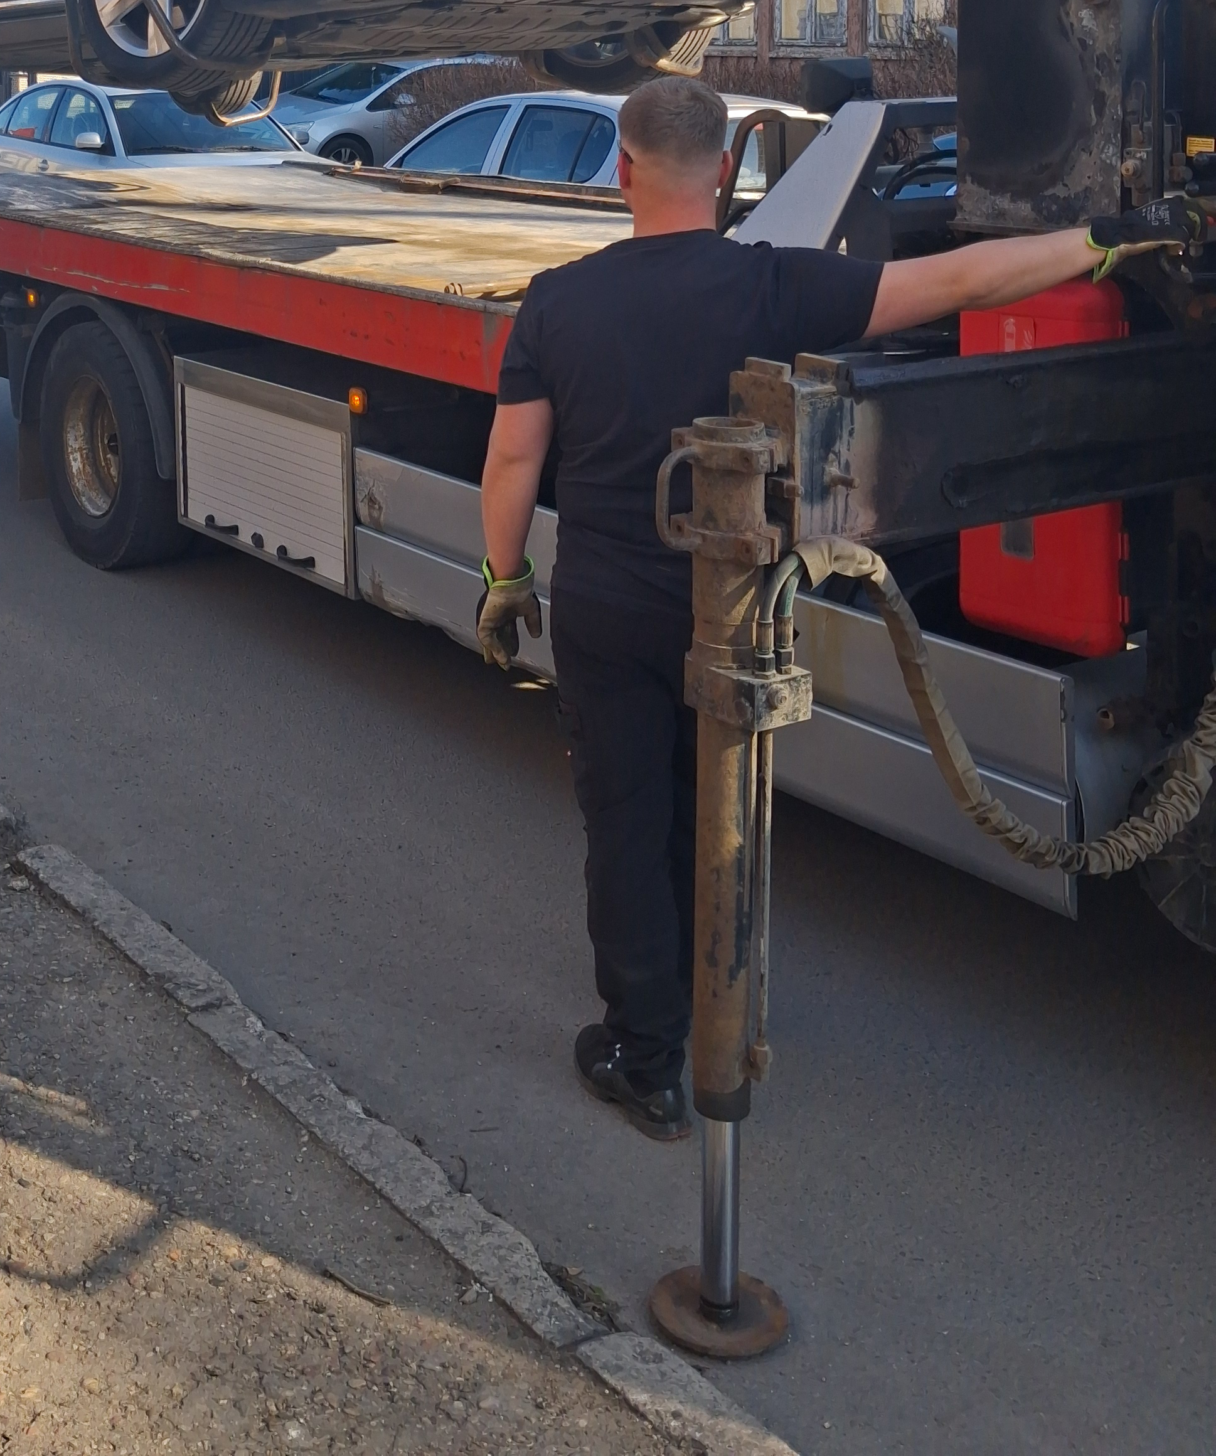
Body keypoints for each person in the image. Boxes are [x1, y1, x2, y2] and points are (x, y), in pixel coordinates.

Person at [478, 73, 1191, 1142]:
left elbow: (512, 455)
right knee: (711, 803)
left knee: (625, 820)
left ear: (622, 170)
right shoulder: (769, 287)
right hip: (727, 610)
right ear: (725, 173)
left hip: (603, 606)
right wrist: (1101, 241)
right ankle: (716, 1009)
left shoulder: (556, 299)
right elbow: (957, 280)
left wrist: (502, 580)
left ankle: (648, 1051)